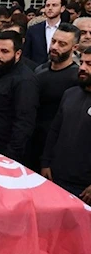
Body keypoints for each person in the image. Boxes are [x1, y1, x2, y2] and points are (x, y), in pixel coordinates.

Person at [27, 23, 80, 171]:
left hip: (56, 149)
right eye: (54, 41)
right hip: (31, 142)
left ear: (74, 48)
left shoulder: (76, 78)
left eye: (62, 44)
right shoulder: (39, 70)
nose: (55, 47)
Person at [41, 49, 91, 202]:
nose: (82, 68)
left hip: (84, 187)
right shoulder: (70, 94)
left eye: (89, 64)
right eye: (81, 62)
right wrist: (45, 163)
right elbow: (55, 130)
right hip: (57, 178)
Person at [0, 31, 38, 163]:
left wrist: (10, 156)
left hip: (6, 154)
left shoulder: (25, 81)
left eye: (4, 51)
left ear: (17, 54)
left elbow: (24, 123)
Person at [23, 0, 66, 65]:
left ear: (62, 8)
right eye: (47, 5)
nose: (50, 8)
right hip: (36, 71)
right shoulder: (33, 30)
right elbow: (26, 54)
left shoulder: (68, 30)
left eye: (54, 5)